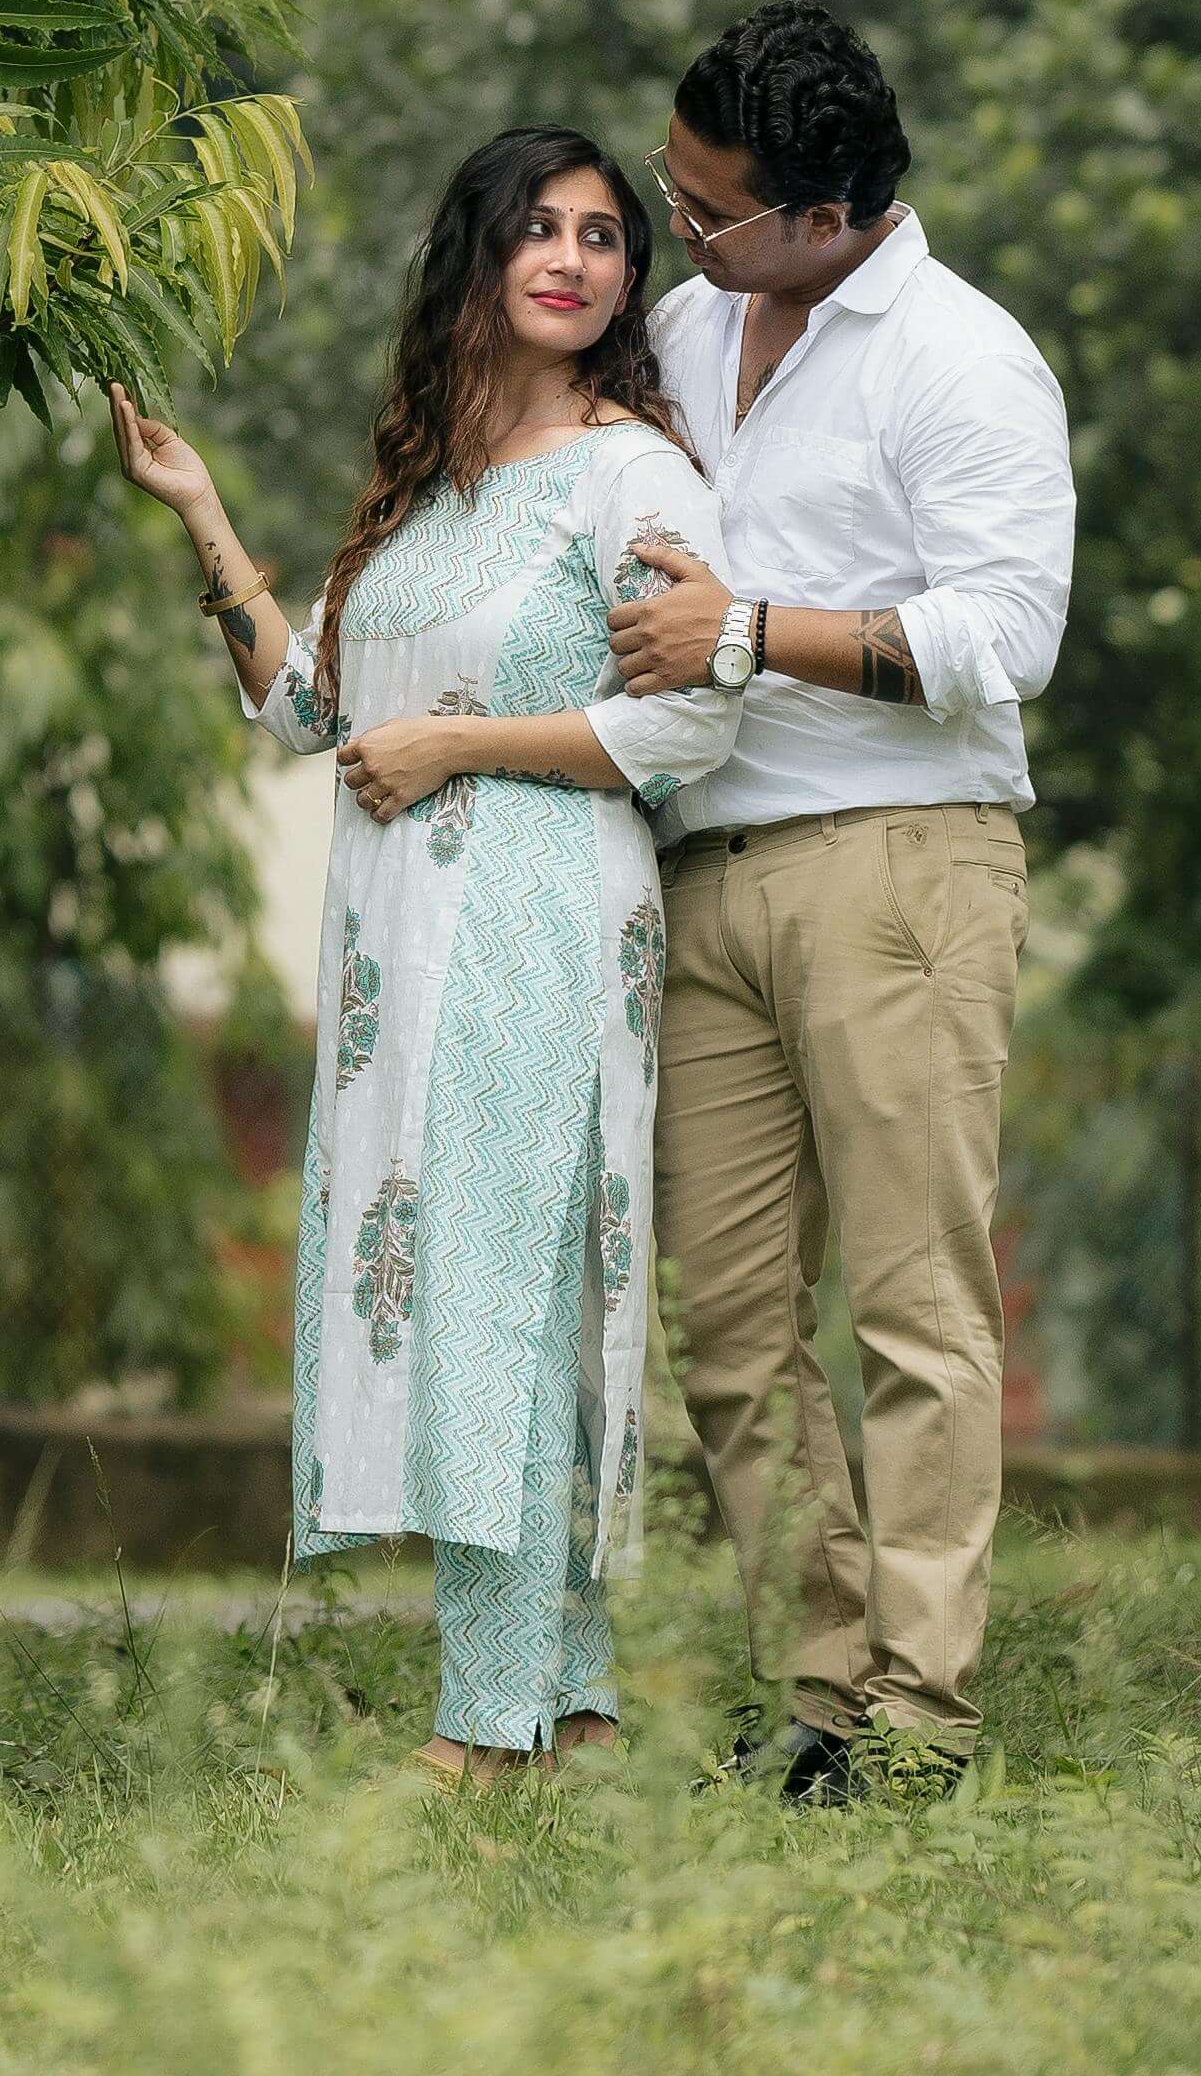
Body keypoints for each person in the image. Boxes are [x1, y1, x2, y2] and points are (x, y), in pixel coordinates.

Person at [108, 123, 740, 1784]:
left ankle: (486, 1725)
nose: (577, 259)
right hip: (408, 954)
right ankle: (577, 1709)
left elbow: (692, 718)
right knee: (478, 1295)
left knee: (501, 1301)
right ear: (475, 254)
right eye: (540, 228)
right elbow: (311, 705)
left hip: (537, 913)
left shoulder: (634, 477)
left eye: (607, 237)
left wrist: (462, 752)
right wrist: (204, 511)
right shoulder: (426, 495)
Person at [596, 2, 1076, 1802]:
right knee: (728, 1324)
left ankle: (923, 1721)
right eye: (675, 190)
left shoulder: (960, 362)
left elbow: (1003, 640)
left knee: (912, 1312)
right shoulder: (688, 326)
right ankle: (819, 1692)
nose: (682, 229)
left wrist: (747, 630)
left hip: (897, 868)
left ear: (833, 210)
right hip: (701, 872)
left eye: (709, 208)